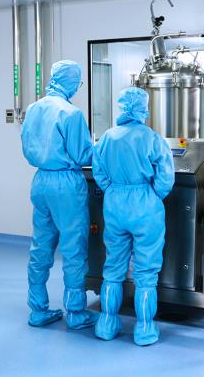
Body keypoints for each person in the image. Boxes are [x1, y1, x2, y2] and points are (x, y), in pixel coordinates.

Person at [92, 86, 175, 345]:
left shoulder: (107, 137)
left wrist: (113, 190)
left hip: (115, 205)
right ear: (143, 108)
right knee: (146, 271)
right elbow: (166, 177)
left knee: (113, 267)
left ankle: (106, 323)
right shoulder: (152, 138)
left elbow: (98, 171)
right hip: (145, 206)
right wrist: (151, 195)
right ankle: (145, 328)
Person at [20, 60, 97, 330]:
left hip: (41, 181)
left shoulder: (33, 108)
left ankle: (37, 310)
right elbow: (83, 155)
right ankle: (75, 311)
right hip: (66, 184)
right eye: (78, 82)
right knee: (73, 248)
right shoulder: (71, 113)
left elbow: (26, 146)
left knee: (41, 245)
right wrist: (100, 150)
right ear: (72, 82)